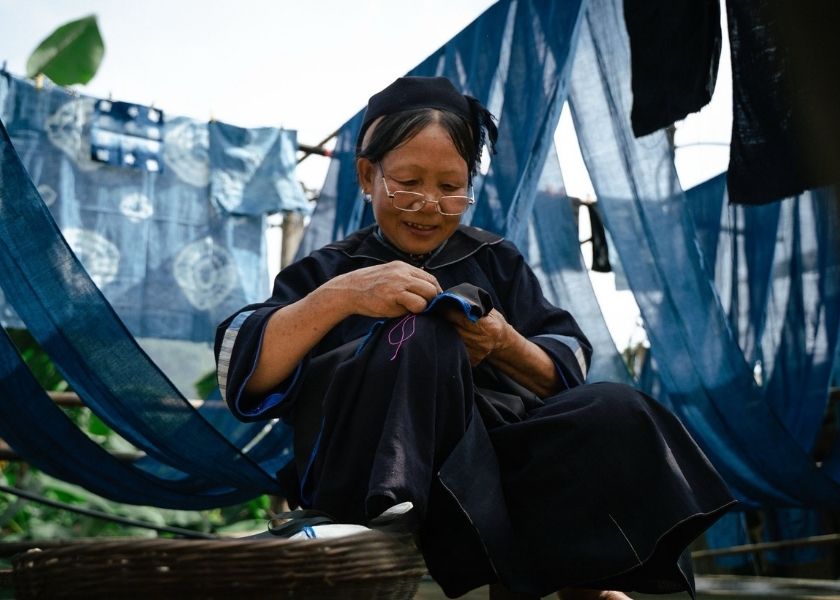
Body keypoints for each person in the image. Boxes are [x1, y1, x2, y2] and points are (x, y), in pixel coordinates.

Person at [215, 76, 735, 599]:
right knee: (418, 335)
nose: (429, 204)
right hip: (363, 474)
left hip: (489, 468)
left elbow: (564, 368)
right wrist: (341, 297)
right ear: (367, 175)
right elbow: (244, 369)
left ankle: (598, 577)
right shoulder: (326, 271)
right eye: (407, 182)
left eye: (449, 187)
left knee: (615, 406)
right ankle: (394, 507)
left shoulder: (496, 259)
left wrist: (504, 342)